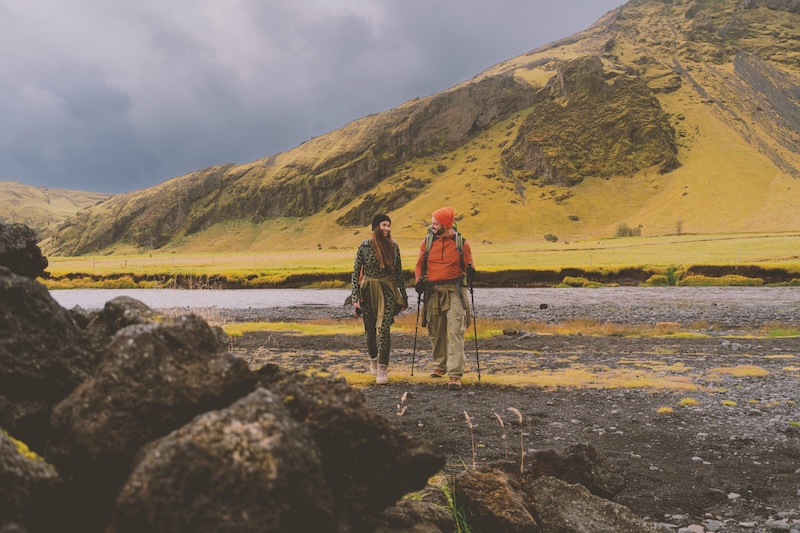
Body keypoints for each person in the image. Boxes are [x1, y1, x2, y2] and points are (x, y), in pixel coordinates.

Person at [414, 206, 476, 390]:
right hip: (433, 290)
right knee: (435, 329)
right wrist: (418, 281)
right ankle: (439, 365)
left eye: (435, 223)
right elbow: (419, 266)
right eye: (432, 222)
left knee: (456, 330)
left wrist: (472, 272)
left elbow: (468, 267)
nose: (432, 225)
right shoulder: (427, 242)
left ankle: (455, 374)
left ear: (446, 224)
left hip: (454, 290)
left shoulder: (462, 243)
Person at [351, 214, 407, 384]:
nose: (387, 228)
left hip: (387, 290)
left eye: (389, 225)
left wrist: (404, 296)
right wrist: (355, 297)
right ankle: (373, 359)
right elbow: (355, 273)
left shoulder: (393, 246)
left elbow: (398, 273)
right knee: (369, 331)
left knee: (384, 329)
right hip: (367, 291)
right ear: (376, 226)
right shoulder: (364, 246)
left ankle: (383, 368)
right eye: (384, 225)